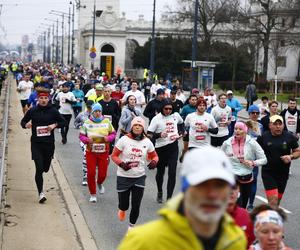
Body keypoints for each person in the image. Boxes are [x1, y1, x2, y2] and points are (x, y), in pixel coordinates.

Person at [118, 146, 247, 249]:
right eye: (201, 185)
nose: (212, 195)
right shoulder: (142, 242)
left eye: (220, 185)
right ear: (185, 188)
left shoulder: (236, 238)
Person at [111, 117, 158, 231]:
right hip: (123, 176)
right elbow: (114, 156)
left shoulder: (147, 142)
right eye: (135, 125)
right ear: (132, 127)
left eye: (140, 125)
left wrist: (154, 162)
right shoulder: (124, 140)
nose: (137, 127)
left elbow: (154, 156)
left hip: (139, 177)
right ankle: (122, 209)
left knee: (136, 204)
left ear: (143, 128)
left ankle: (131, 227)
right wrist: (122, 164)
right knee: (124, 204)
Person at [20, 88, 65, 203]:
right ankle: (41, 193)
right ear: (38, 99)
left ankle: (46, 165)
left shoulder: (53, 111)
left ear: (48, 99)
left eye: (45, 98)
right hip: (36, 144)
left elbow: (63, 122)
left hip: (49, 144)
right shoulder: (33, 111)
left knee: (45, 168)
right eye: (41, 98)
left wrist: (54, 125)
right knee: (39, 168)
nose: (43, 100)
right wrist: (27, 125)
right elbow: (22, 122)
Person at [257, 115, 300, 208]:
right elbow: (254, 150)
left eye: (280, 124)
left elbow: (298, 151)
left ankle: (272, 217)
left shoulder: (289, 137)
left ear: (283, 125)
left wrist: (291, 156)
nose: (278, 126)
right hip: (268, 172)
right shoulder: (264, 137)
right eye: (275, 124)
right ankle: (271, 221)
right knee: (273, 201)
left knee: (277, 202)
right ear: (270, 125)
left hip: (283, 173)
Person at [221, 122, 267, 208]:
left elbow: (264, 159)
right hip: (232, 177)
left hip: (246, 177)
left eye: (240, 129)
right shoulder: (227, 143)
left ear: (245, 131)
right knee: (232, 204)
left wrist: (253, 163)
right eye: (235, 129)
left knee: (242, 206)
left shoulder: (252, 143)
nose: (237, 131)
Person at [147, 98, 184, 203]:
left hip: (173, 147)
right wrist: (159, 135)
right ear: (161, 108)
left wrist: (182, 132)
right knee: (160, 172)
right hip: (161, 148)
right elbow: (148, 133)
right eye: (166, 109)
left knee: (172, 173)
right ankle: (159, 192)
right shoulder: (156, 119)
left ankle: (169, 198)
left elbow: (182, 123)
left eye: (170, 109)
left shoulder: (175, 116)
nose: (168, 111)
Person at [79, 103, 116, 202]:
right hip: (90, 151)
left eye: (99, 111)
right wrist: (87, 140)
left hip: (104, 151)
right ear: (92, 112)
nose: (98, 113)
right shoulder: (87, 122)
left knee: (102, 174)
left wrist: (108, 138)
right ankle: (93, 194)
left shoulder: (106, 121)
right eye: (95, 111)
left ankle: (99, 183)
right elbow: (81, 136)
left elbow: (113, 133)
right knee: (91, 173)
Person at [226, 181, 255, 248]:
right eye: (227, 188)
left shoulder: (245, 215)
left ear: (238, 190)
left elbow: (249, 242)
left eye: (234, 188)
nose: (231, 192)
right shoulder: (209, 215)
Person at [74, 100, 94, 186]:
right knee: (86, 155)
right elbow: (75, 123)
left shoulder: (97, 115)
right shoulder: (82, 114)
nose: (90, 108)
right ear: (86, 106)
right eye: (89, 107)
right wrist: (80, 126)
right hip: (84, 139)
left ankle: (91, 173)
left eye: (91, 107)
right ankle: (85, 175)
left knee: (92, 157)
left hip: (95, 140)